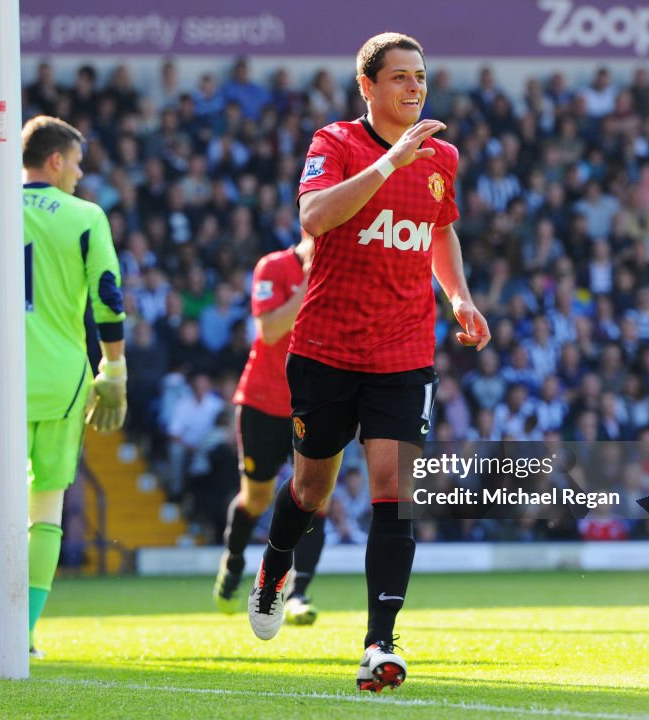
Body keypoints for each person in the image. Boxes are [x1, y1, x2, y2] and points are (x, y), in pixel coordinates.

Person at [246, 33, 490, 692]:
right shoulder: (335, 144)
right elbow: (316, 217)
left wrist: (460, 297)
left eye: (421, 77)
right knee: (310, 492)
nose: (415, 88)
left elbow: (440, 229)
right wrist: (389, 164)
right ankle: (274, 567)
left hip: (404, 347)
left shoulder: (442, 156)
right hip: (326, 346)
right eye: (401, 78)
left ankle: (379, 644)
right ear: (369, 87)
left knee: (395, 488)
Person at [0, 116, 127, 658]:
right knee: (45, 508)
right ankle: (21, 634)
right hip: (61, 380)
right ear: (54, 160)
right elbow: (108, 296)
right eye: (76, 162)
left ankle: (3, 623)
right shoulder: (85, 215)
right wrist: (113, 370)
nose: (79, 172)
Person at [213, 235, 325, 625]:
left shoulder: (343, 272)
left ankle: (298, 593)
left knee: (316, 497)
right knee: (256, 498)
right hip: (262, 403)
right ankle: (235, 560)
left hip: (313, 401)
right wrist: (311, 281)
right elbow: (271, 330)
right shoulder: (273, 268)